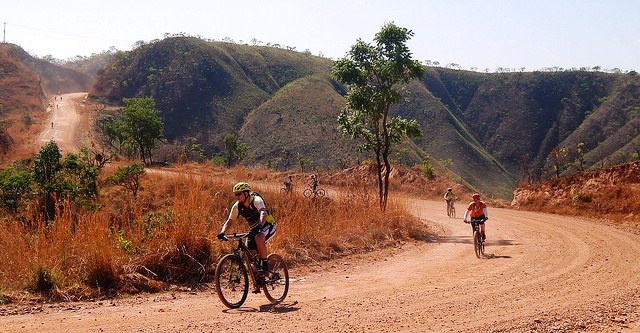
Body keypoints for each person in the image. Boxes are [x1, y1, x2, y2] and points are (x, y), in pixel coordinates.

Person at [217, 182, 276, 273]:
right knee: (250, 252)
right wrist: (222, 232)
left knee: (259, 238)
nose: (237, 197)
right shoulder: (237, 206)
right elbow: (230, 221)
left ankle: (264, 264)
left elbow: (263, 213)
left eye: (239, 194)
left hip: (268, 224)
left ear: (246, 193)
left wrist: (260, 225)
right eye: (235, 194)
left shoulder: (256, 200)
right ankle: (258, 277)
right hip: (254, 229)